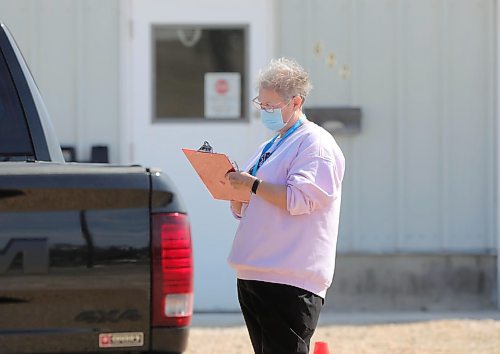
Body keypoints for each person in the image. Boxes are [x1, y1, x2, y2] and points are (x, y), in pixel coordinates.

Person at [225, 57, 345, 354]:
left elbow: (300, 198)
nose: (265, 112)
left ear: (296, 102)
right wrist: (234, 190)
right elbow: (250, 202)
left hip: (289, 278)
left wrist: (251, 185)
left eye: (272, 106)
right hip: (255, 272)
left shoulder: (315, 143)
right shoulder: (272, 144)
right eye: (261, 104)